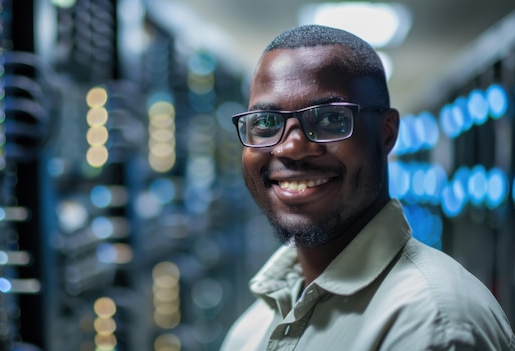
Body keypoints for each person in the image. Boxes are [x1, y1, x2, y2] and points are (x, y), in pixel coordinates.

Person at [220, 25, 515, 350]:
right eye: (265, 123)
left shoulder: (435, 324)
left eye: (331, 119)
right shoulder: (253, 325)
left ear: (386, 133)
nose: (291, 147)